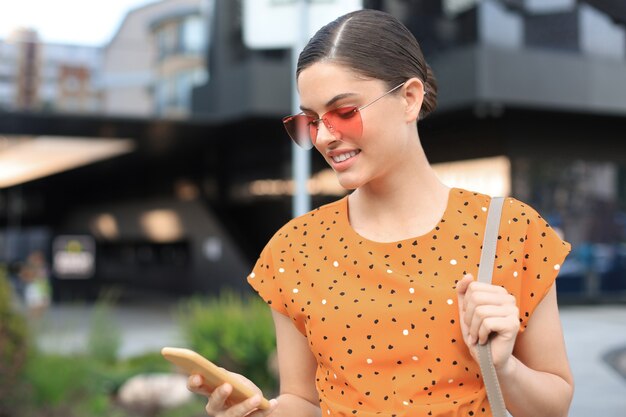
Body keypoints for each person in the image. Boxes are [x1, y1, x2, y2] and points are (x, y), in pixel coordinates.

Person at [188, 9, 574, 417]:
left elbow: (555, 405)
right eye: (312, 120)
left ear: (409, 97)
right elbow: (303, 401)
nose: (323, 136)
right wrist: (260, 411)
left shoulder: (510, 230)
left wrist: (504, 367)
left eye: (344, 112)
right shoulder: (294, 249)